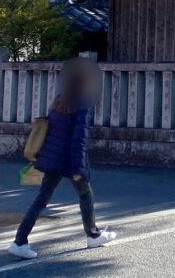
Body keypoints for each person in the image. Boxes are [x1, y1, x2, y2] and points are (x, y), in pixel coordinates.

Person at [9, 58, 115, 259]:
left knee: (42, 198)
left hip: (54, 158)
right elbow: (79, 139)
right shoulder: (82, 103)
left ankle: (20, 240)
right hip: (70, 158)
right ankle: (92, 235)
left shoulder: (59, 100)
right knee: (85, 195)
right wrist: (78, 168)